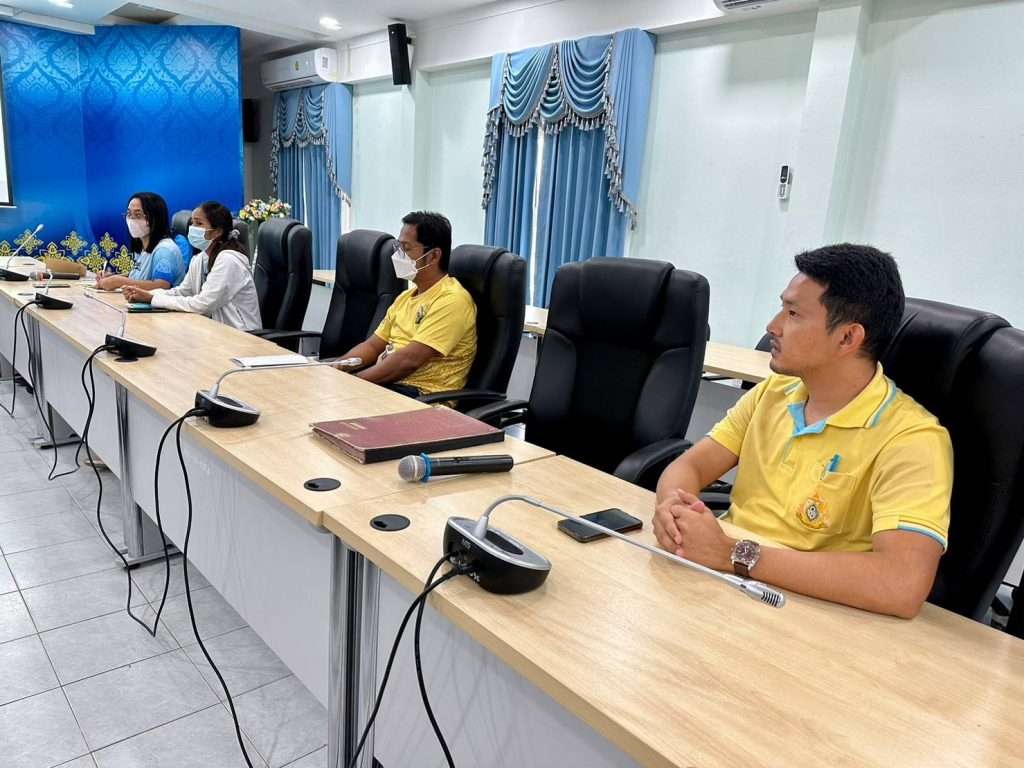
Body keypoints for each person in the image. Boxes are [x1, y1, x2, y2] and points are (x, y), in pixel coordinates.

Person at [653, 244, 952, 619]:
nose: (773, 326)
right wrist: (675, 514)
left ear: (848, 338)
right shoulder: (773, 393)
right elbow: (690, 467)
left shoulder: (912, 440)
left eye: (793, 314)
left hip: (810, 615)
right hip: (725, 590)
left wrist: (733, 554)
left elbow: (900, 584)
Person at [337, 211, 476, 396]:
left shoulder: (452, 300)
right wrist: (337, 368)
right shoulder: (405, 297)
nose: (398, 255)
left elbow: (409, 361)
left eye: (406, 248)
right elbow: (372, 346)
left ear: (434, 256)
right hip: (391, 386)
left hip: (422, 396)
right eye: (398, 247)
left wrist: (354, 382)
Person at [123, 201, 261, 331]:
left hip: (240, 334)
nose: (192, 228)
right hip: (212, 330)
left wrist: (153, 299)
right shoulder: (199, 258)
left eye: (199, 223)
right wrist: (146, 294)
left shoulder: (229, 260)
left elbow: (203, 304)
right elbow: (182, 291)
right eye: (192, 223)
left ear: (217, 232)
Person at [96, 192, 185, 291]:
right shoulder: (144, 246)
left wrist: (118, 282)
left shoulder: (164, 250)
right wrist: (112, 278)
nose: (131, 220)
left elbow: (162, 285)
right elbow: (139, 276)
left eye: (138, 215)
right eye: (129, 214)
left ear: (155, 218)